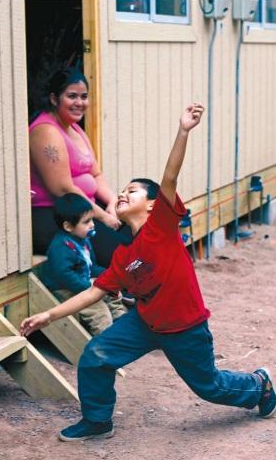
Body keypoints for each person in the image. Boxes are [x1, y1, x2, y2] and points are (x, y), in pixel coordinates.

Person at [21, 103, 276, 442]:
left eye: (133, 191)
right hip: (145, 323)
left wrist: (183, 130)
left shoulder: (162, 226)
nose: (123, 194)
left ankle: (260, 386)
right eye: (121, 191)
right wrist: (48, 316)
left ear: (153, 204)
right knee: (96, 356)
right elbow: (94, 291)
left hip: (185, 327)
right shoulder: (124, 254)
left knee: (209, 387)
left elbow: (169, 176)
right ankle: (98, 421)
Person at [29, 67, 132, 267]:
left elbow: (96, 173)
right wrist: (102, 217)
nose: (79, 103)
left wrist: (112, 202)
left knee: (136, 229)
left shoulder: (74, 128)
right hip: (57, 215)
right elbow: (63, 189)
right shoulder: (45, 131)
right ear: (54, 98)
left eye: (84, 97)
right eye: (72, 96)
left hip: (86, 209)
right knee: (119, 252)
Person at [41, 193, 127, 336]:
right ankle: (105, 342)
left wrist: (106, 275)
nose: (92, 224)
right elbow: (64, 275)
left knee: (111, 290)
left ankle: (121, 320)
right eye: (86, 222)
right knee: (99, 312)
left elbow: (90, 267)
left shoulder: (83, 239)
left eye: (92, 219)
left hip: (83, 282)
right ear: (68, 226)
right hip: (66, 289)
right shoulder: (61, 247)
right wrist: (89, 289)